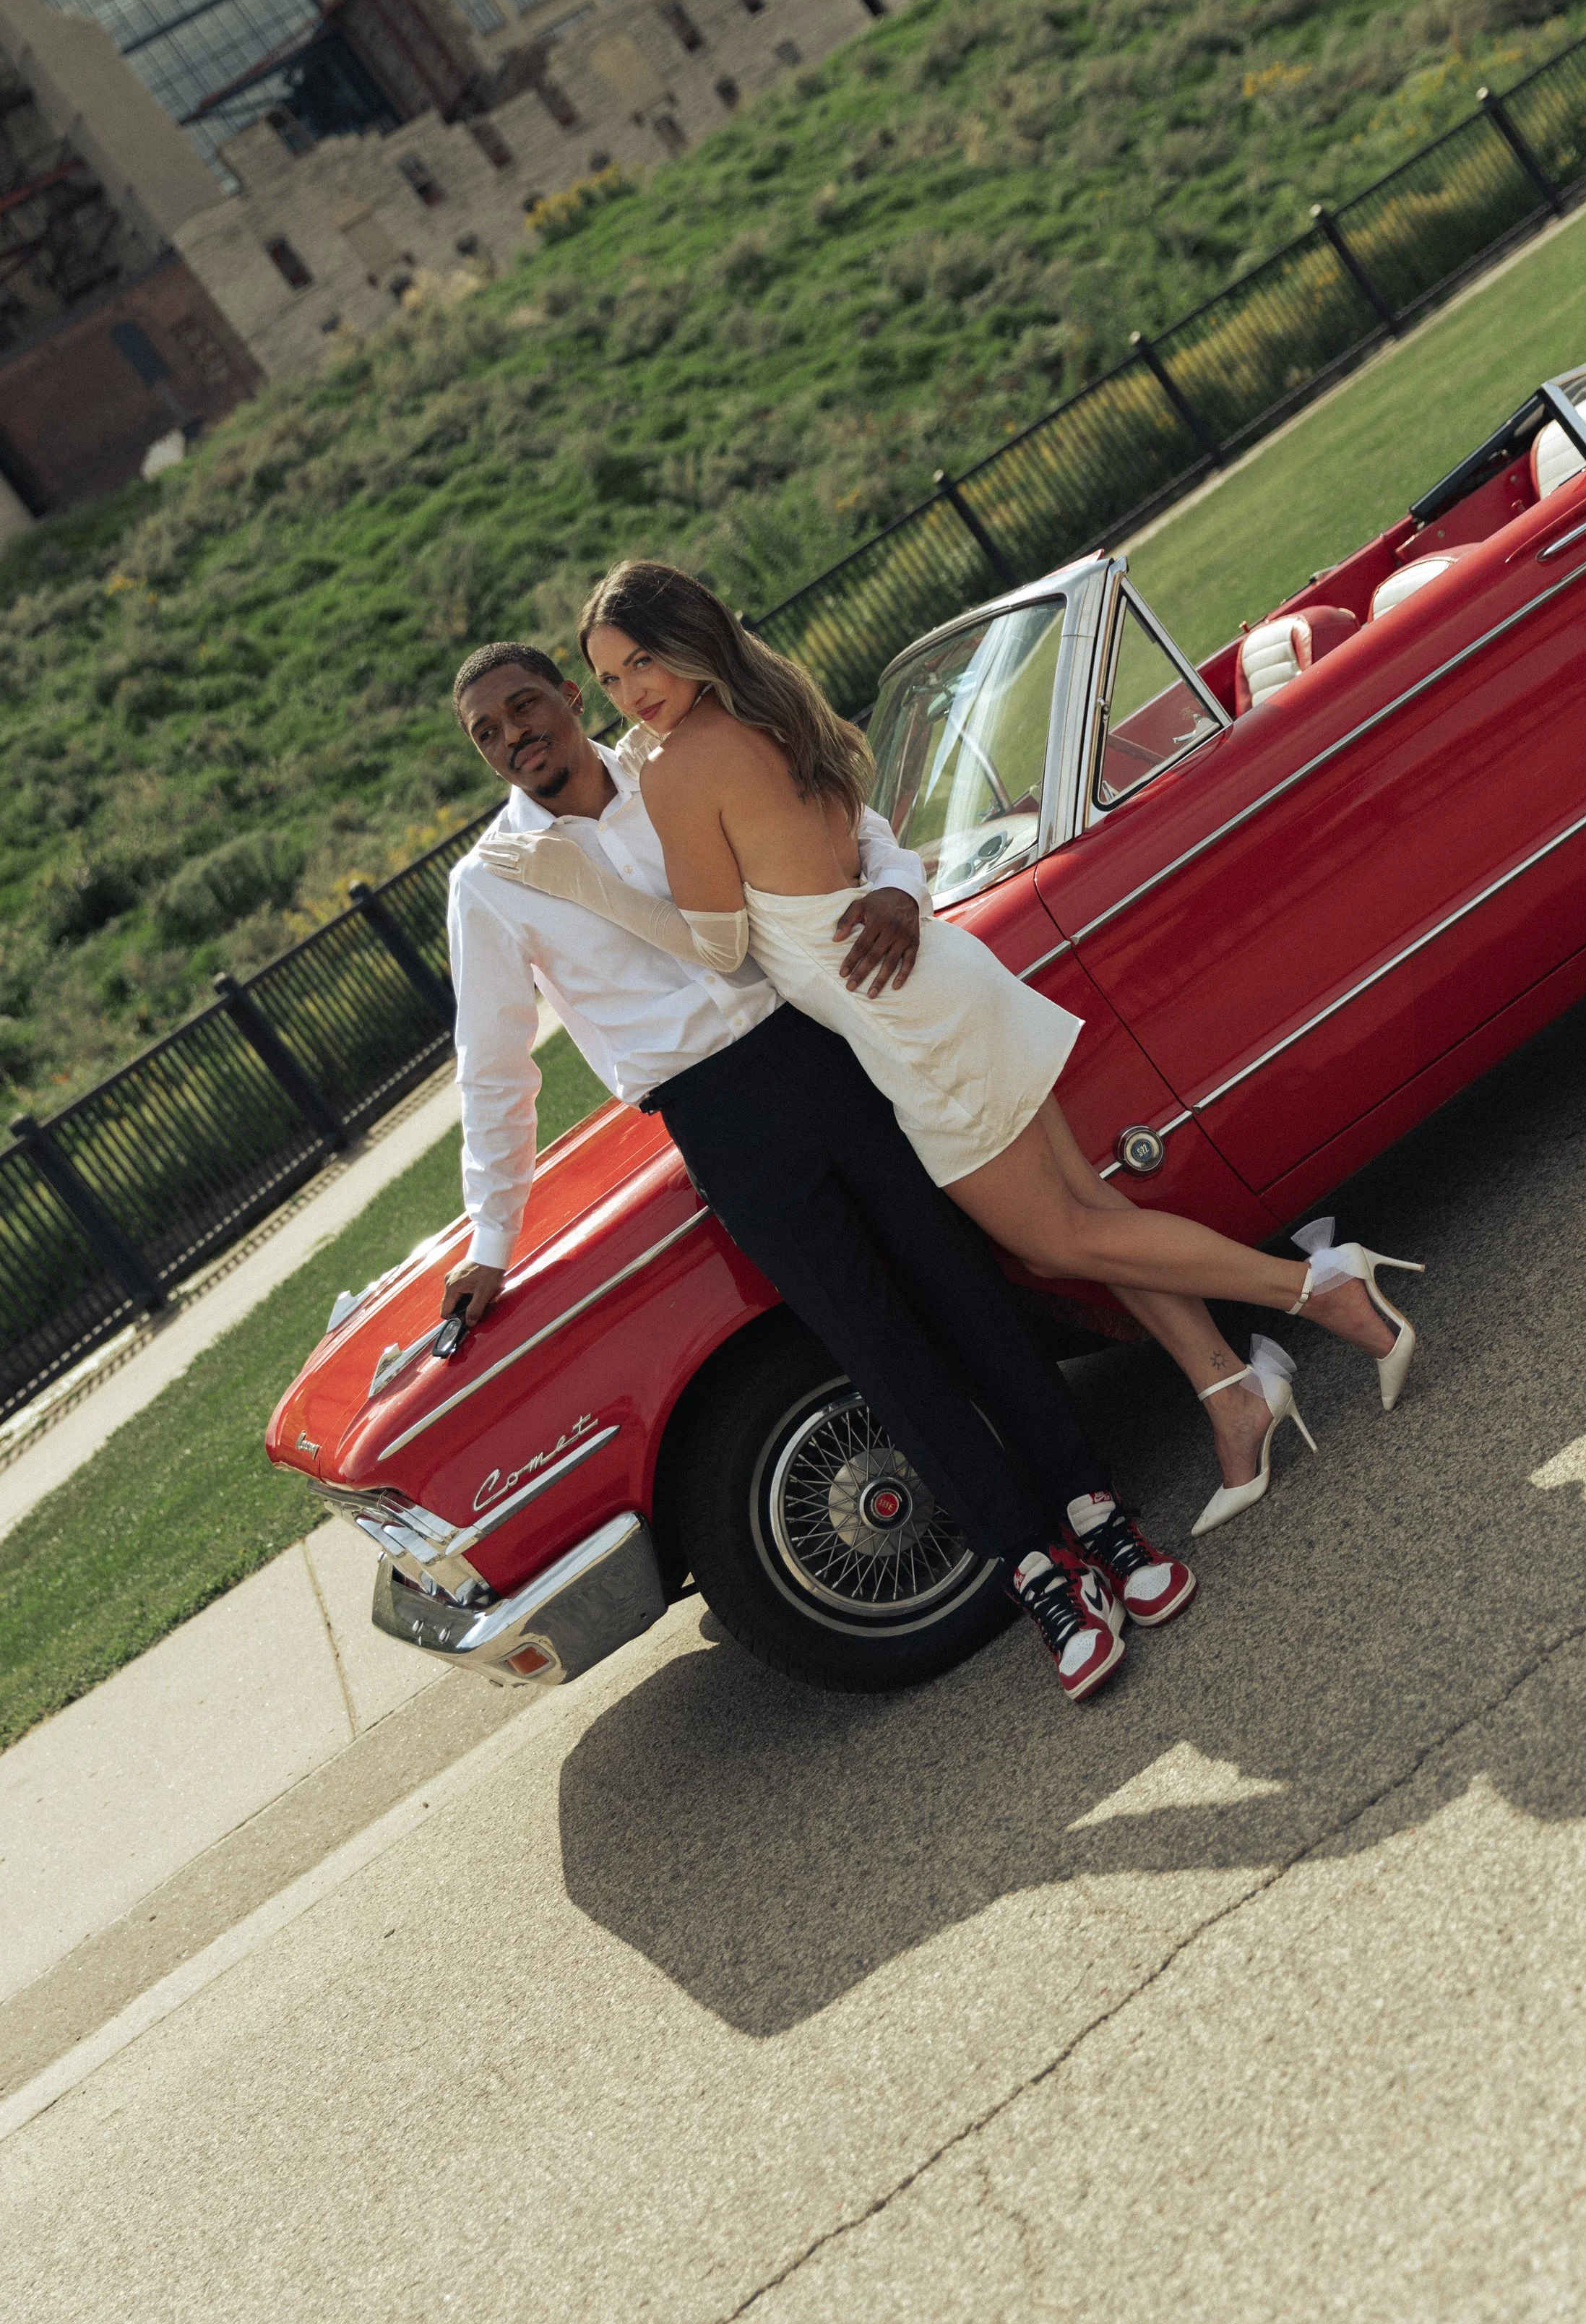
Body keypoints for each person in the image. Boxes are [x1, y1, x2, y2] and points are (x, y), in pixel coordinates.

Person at [482, 564, 1426, 1539]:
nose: (631, 695)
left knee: (1055, 1239)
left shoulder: (681, 766)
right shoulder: (776, 707)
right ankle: (1232, 1391)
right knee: (1091, 1212)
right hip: (936, 984)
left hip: (907, 1022)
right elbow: (854, 845)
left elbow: (720, 947)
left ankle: (1319, 1287)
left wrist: (584, 884)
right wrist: (889, 884)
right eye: (609, 681)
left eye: (642, 662)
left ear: (691, 640)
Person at [442, 637, 1199, 1707]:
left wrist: (898, 888)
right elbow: (495, 1070)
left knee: (960, 1283)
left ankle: (1098, 1514)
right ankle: (1035, 1568)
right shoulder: (492, 883)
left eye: (525, 706)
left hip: (821, 1045)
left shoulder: (679, 764)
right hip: (716, 1119)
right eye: (487, 732)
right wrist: (490, 1239)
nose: (513, 734)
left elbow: (855, 825)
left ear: (570, 698)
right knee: (873, 1341)